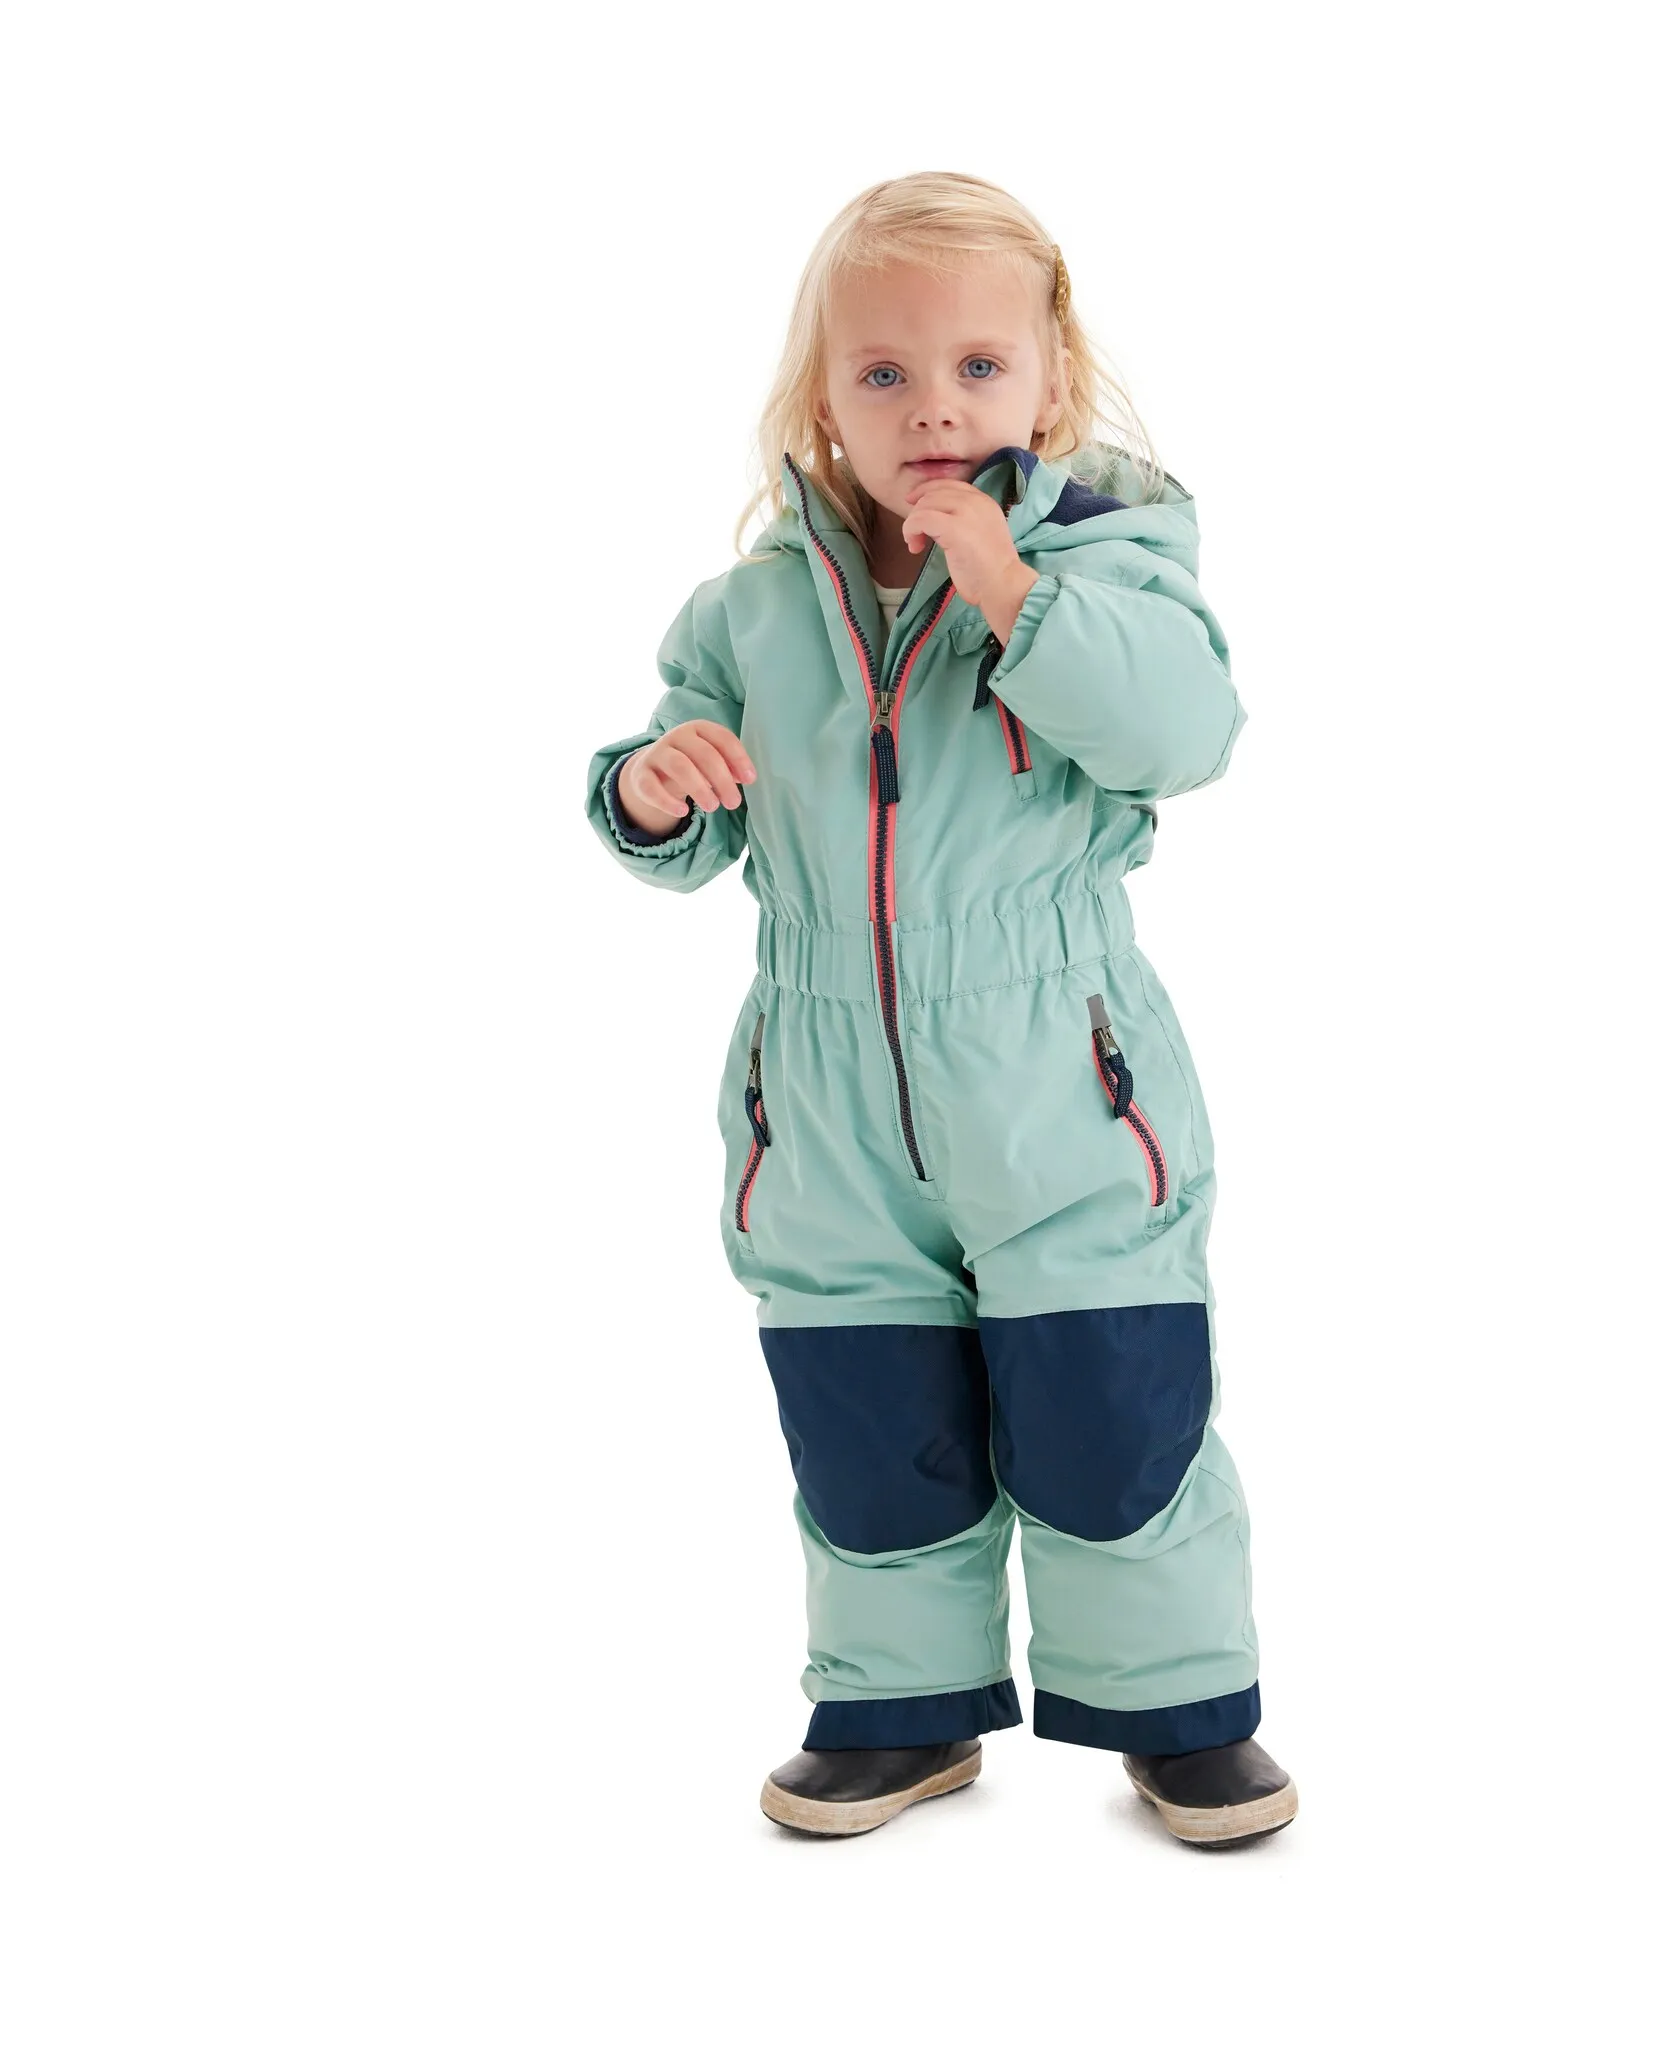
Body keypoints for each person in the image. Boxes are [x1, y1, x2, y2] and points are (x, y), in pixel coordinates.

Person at [584, 172, 1296, 1848]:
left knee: (1110, 1404)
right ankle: (899, 1710)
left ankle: (1177, 1713)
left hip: (1059, 1072)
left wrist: (1018, 598)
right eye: (885, 374)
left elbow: (1184, 733)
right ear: (822, 403)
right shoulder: (758, 609)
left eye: (978, 367)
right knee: (867, 1415)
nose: (933, 409)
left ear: (1050, 382)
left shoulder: (1109, 562)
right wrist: (656, 790)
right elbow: (682, 782)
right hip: (826, 1089)